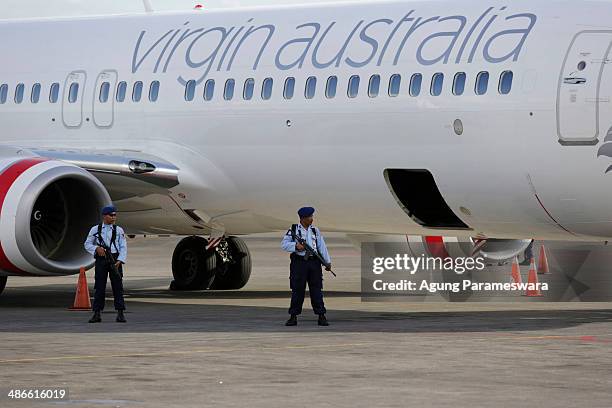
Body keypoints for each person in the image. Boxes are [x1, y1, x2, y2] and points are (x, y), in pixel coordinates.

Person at [281, 207, 332, 326]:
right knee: (297, 290)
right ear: (303, 218)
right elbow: (284, 244)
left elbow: (321, 246)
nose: (312, 219)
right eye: (310, 217)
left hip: (314, 263)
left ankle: (321, 315)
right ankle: (293, 316)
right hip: (299, 263)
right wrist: (296, 246)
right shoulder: (293, 230)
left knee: (317, 289)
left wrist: (327, 262)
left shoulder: (315, 230)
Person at [84, 205, 128, 323]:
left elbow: (123, 247)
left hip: (115, 259)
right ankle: (97, 313)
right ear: (104, 216)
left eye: (115, 215)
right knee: (99, 286)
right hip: (101, 259)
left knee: (118, 287)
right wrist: (96, 248)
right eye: (111, 215)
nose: (114, 217)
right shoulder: (95, 229)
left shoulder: (119, 230)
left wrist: (120, 260)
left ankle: (120, 312)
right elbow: (87, 244)